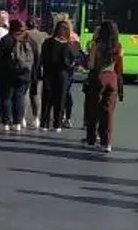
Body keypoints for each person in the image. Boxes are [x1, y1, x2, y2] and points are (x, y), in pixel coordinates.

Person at [83, 20, 124, 152]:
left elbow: (91, 65)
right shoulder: (118, 47)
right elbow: (120, 67)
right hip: (112, 78)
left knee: (92, 110)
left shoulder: (96, 45)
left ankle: (91, 140)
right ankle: (106, 143)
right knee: (108, 112)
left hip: (98, 77)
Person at [0, 19, 38, 131]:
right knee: (20, 98)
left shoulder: (6, 40)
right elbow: (36, 60)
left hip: (7, 74)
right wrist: (33, 75)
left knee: (6, 98)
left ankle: (6, 123)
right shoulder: (31, 41)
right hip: (24, 75)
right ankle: (17, 123)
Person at [40, 20, 78, 132]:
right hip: (63, 74)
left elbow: (43, 58)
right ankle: (57, 123)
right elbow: (72, 61)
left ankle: (45, 123)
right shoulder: (69, 45)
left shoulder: (48, 42)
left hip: (49, 73)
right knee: (60, 99)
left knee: (47, 98)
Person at [24, 17, 48, 128]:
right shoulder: (44, 35)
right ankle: (36, 118)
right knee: (36, 93)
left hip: (26, 67)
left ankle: (22, 117)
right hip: (39, 68)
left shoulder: (24, 35)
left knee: (25, 93)